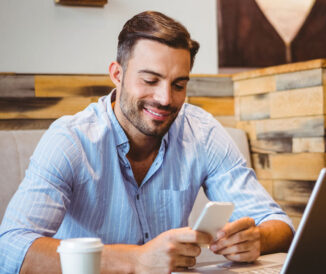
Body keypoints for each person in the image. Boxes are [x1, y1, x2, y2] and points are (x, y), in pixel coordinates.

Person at [0, 11, 293, 274]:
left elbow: (279, 223)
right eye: (150, 80)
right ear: (117, 74)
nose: (165, 99)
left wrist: (257, 239)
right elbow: (10, 248)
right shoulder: (70, 140)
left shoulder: (202, 132)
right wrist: (135, 260)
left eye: (179, 85)